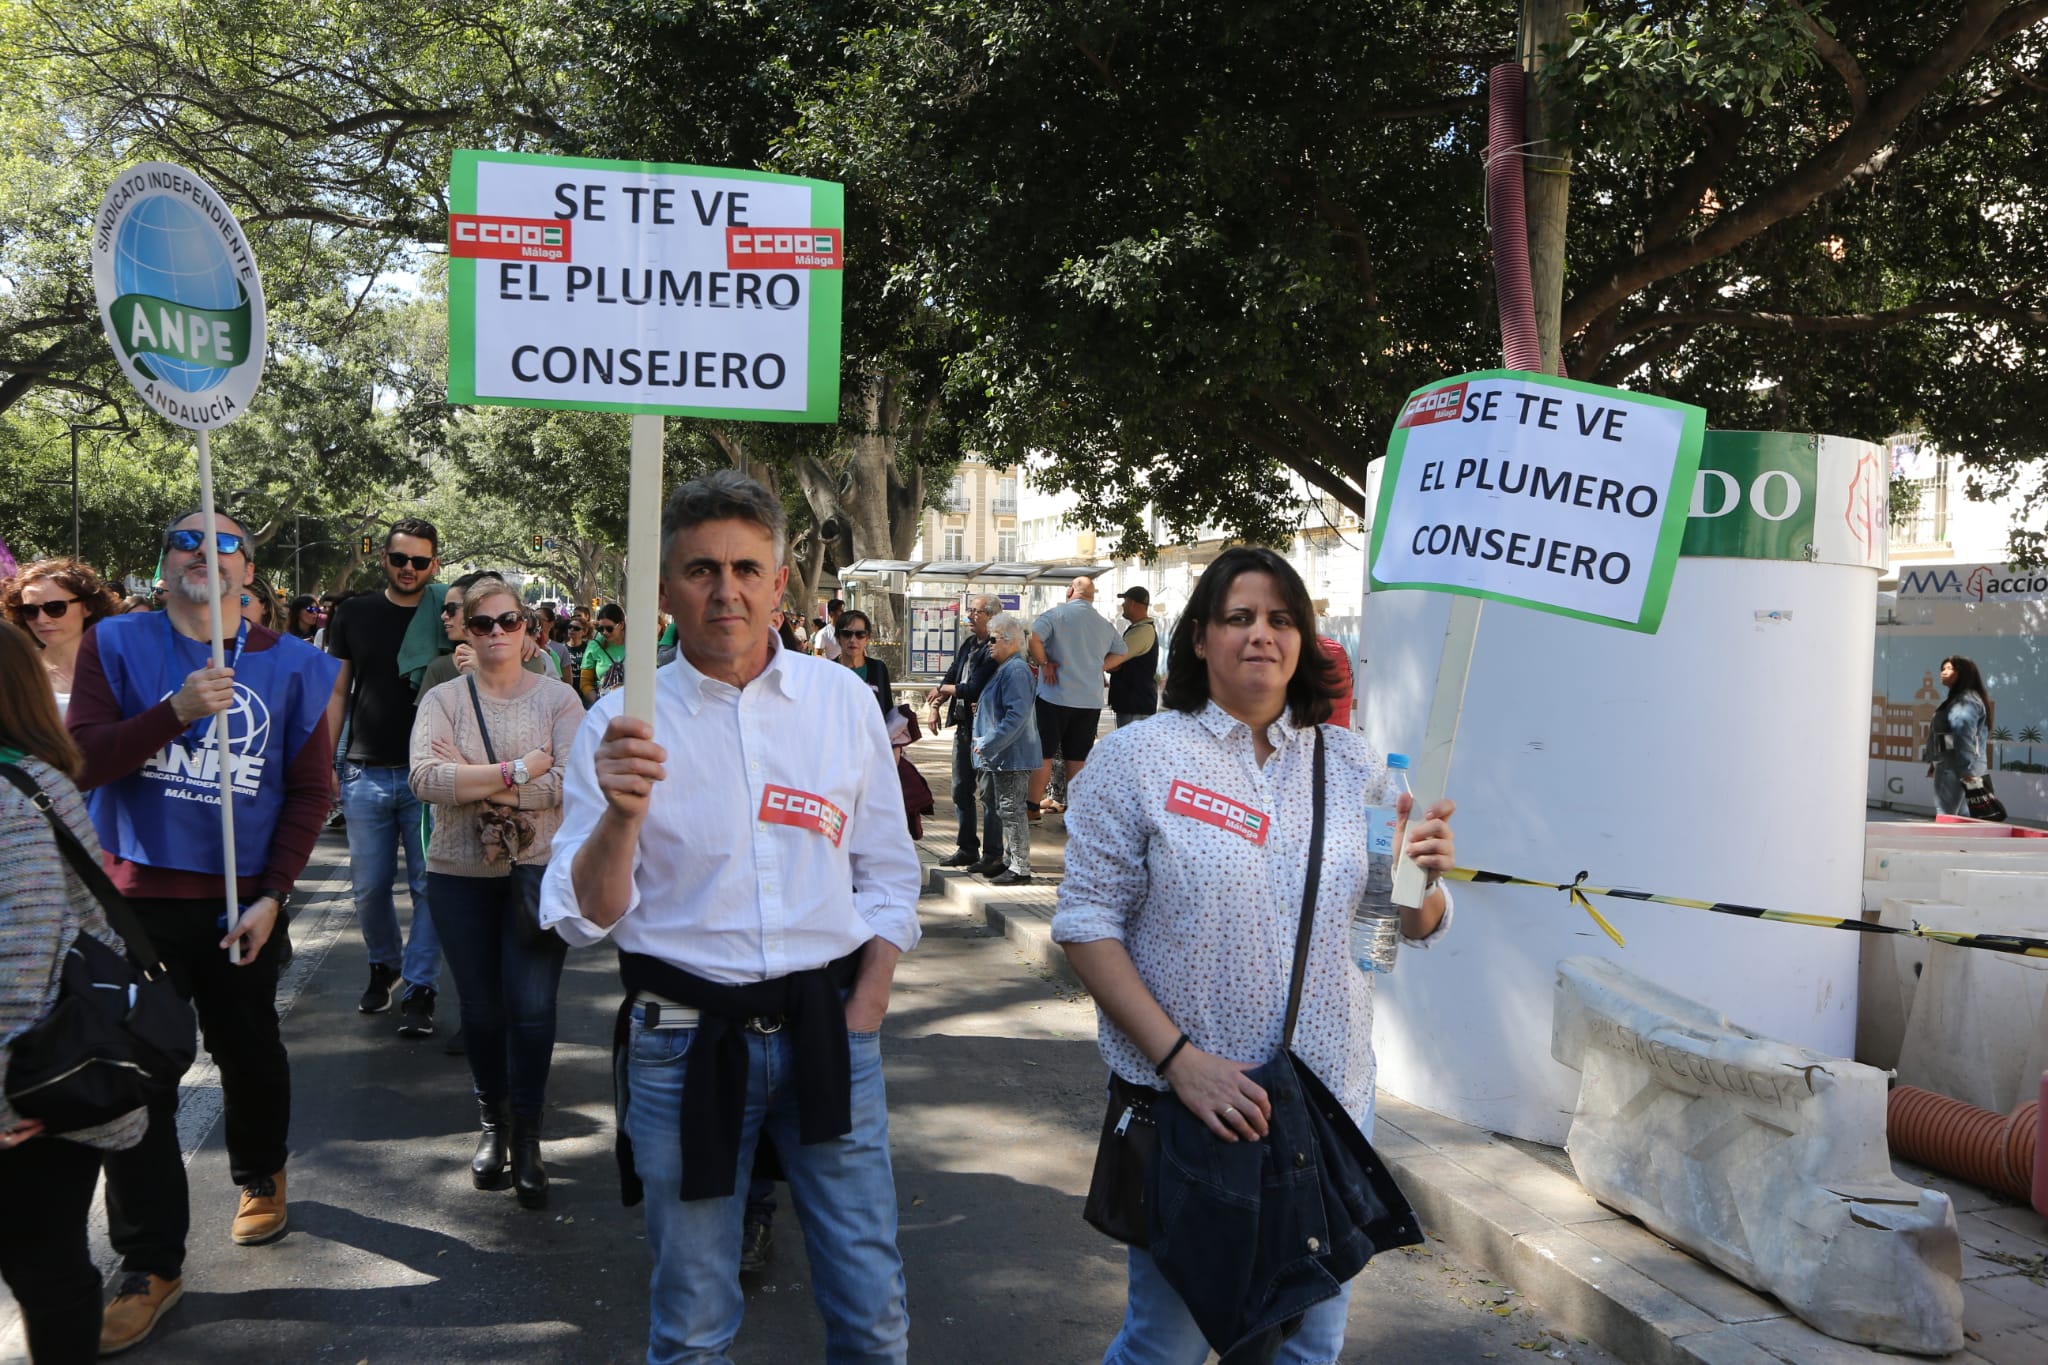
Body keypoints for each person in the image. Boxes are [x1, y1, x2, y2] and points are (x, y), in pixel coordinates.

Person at [540, 470, 921, 1365]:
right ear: (666, 586)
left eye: (748, 568)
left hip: (831, 1033)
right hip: (683, 1043)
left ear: (780, 581)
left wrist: (866, 1004)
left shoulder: (842, 704)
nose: (727, 590)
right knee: (694, 1322)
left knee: (873, 1310)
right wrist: (622, 818)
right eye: (702, 568)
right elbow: (581, 919)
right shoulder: (618, 726)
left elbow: (888, 872)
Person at [1050, 546, 1458, 1365]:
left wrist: (1425, 875)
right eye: (1239, 617)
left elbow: (1401, 923)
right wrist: (1181, 1062)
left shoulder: (1353, 764)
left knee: (1310, 1341)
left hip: (1326, 1100)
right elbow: (1087, 925)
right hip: (1193, 1103)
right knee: (1164, 1343)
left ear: (1303, 639)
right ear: (1199, 638)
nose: (1261, 635)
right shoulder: (1139, 759)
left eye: (1280, 619)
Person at [69, 509, 339, 1354]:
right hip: (134, 898)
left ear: (249, 570)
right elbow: (85, 761)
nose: (204, 553)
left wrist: (276, 894)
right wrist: (175, 711)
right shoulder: (113, 644)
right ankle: (150, 1261)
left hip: (240, 901)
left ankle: (261, 1169)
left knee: (249, 1049)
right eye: (187, 540)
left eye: (224, 543)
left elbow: (307, 789)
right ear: (163, 563)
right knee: (134, 1076)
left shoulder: (298, 665)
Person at [0, 621, 149, 1363]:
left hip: (33, 1086)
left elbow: (21, 960)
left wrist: (3, 1097)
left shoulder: (17, 791)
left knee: (46, 1267)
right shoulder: (40, 780)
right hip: (43, 1080)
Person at [411, 580, 583, 1208]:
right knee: (481, 1011)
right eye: (480, 624)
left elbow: (573, 779)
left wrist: (485, 785)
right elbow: (427, 778)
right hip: (459, 872)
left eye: (507, 620)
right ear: (464, 630)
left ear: (529, 627)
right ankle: (494, 1126)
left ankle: (531, 1137)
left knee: (533, 1011)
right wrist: (520, 770)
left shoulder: (561, 699)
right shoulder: (442, 698)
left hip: (538, 871)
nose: (495, 633)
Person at [324, 518, 448, 1036]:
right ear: (384, 560)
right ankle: (384, 964)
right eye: (400, 559)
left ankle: (421, 986)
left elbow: (497, 639)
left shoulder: (447, 611)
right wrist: (324, 763)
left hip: (431, 777)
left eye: (420, 561)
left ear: (434, 564)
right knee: (369, 888)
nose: (409, 569)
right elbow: (337, 693)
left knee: (428, 887)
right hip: (365, 773)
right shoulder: (353, 613)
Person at [1027, 576, 1128, 815]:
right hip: (1089, 701)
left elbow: (1034, 637)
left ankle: (1031, 808)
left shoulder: (1056, 615)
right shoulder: (1104, 624)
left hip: (1054, 696)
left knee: (1043, 753)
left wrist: (1044, 663)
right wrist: (1098, 667)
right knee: (1078, 757)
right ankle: (1075, 812)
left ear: (1071, 590)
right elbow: (1122, 652)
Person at [928, 595, 1002, 870]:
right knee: (960, 789)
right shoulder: (970, 644)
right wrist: (937, 703)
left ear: (992, 616)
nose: (970, 616)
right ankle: (967, 847)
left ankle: (993, 853)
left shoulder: (996, 648)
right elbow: (953, 674)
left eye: (976, 612)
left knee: (988, 793)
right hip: (963, 727)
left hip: (986, 729)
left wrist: (944, 690)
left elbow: (973, 686)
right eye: (970, 611)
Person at [4, 557, 123, 721]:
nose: (41, 619)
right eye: (30, 610)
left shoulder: (122, 668)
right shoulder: (14, 670)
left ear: (87, 607)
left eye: (55, 608)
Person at [972, 612, 1041, 885]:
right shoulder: (1009, 667)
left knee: (1011, 810)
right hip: (1006, 756)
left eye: (993, 639)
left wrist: (989, 742)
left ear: (1010, 640)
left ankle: (1020, 867)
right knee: (1006, 809)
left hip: (1012, 755)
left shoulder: (1015, 669)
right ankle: (1012, 861)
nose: (988, 644)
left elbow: (1017, 715)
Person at [419, 571, 555, 693]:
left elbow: (532, 713)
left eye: (451, 608)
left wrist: (488, 671)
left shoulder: (527, 656)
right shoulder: (439, 668)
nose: (444, 616)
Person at [1923, 655, 1993, 816]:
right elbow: (1952, 736)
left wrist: (1966, 771)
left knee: (1947, 816)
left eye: (1950, 669)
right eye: (1943, 668)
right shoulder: (1964, 699)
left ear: (1963, 673)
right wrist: (1936, 760)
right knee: (1964, 819)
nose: (1943, 672)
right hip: (1959, 766)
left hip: (1956, 769)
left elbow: (1963, 736)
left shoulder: (1964, 701)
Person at [1107, 586, 1160, 729]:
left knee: (1131, 750)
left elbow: (1115, 660)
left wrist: (1098, 666)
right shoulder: (1138, 629)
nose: (1122, 605)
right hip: (1132, 704)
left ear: (1132, 603)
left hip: (1135, 706)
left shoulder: (1142, 631)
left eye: (1125, 601)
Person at [835, 608, 894, 713]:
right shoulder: (828, 670)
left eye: (860, 634)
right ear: (838, 637)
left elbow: (887, 709)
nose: (853, 640)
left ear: (867, 638)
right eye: (846, 634)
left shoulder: (878, 668)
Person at [580, 603, 627, 704]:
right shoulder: (594, 646)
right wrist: (599, 703)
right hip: (602, 704)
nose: (604, 632)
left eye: (609, 629)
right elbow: (585, 683)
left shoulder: (637, 646)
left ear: (621, 625)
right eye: (601, 629)